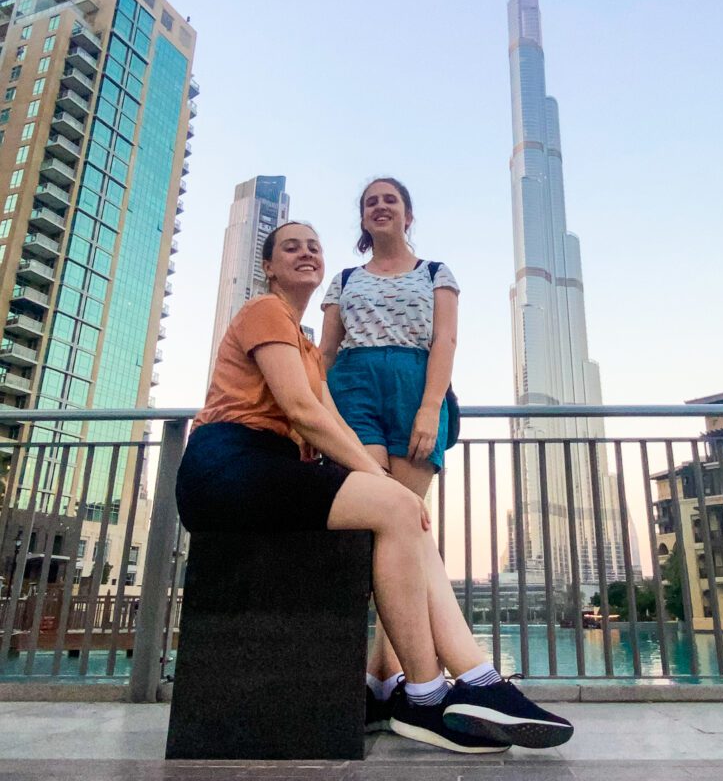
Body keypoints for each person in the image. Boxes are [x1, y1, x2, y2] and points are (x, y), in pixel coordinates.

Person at [176, 220, 573, 754]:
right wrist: (379, 480)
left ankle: (460, 686)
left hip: (265, 471)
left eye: (314, 247)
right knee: (397, 506)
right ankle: (443, 692)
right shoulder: (264, 311)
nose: (306, 254)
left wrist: (382, 482)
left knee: (401, 509)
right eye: (290, 247)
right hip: (227, 465)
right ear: (268, 266)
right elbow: (302, 412)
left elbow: (332, 422)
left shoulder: (310, 349)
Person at [319, 178, 459, 724]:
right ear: (362, 218)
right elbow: (326, 351)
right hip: (353, 388)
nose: (380, 206)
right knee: (372, 526)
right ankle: (387, 678)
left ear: (407, 214)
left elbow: (444, 342)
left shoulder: (435, 273)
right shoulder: (345, 279)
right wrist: (311, 416)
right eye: (370, 201)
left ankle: (382, 676)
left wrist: (430, 408)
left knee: (407, 529)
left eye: (390, 200)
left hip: (414, 384)